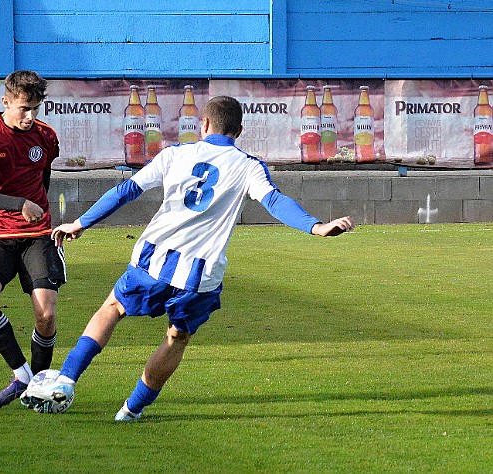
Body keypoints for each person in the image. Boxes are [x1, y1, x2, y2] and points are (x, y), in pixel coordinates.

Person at [21, 95, 354, 420]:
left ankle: (66, 378)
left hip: (154, 258)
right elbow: (275, 202)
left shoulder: (175, 154)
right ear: (239, 131)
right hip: (201, 275)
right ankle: (131, 409)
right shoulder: (249, 167)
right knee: (176, 337)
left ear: (204, 123)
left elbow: (126, 190)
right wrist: (316, 227)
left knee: (113, 308)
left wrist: (80, 223)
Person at [0, 70, 65, 408]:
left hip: (37, 235)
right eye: (24, 108)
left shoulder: (46, 137)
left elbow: (42, 180)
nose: (30, 117)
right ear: (5, 101)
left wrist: (36, 211)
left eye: (36, 108)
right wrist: (18, 204)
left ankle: (36, 387)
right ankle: (22, 375)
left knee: (46, 315)